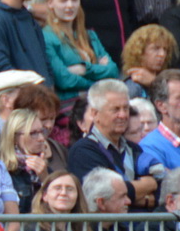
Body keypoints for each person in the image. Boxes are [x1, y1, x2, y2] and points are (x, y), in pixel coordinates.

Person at [68, 79, 163, 209]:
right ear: (95, 114)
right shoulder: (83, 151)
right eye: (115, 110)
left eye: (126, 108)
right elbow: (104, 196)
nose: (123, 115)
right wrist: (149, 185)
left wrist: (131, 193)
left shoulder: (133, 149)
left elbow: (161, 191)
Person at [120, 25, 175, 103]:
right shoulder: (132, 87)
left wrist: (154, 82)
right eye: (156, 48)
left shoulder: (168, 78)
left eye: (165, 49)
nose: (162, 54)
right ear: (139, 51)